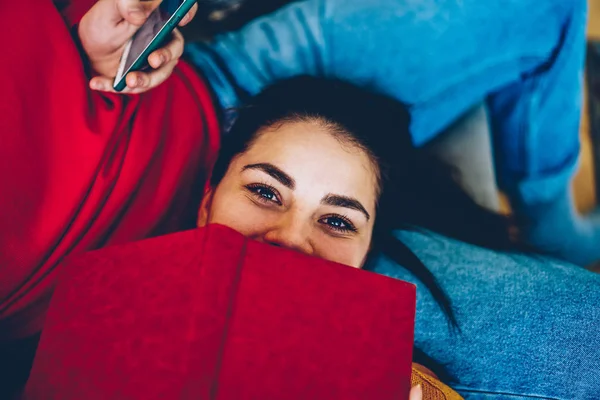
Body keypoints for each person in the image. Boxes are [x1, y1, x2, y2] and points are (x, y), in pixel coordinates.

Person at [1, 0, 599, 398]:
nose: (289, 242)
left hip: (186, 87)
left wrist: (91, 19)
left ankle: (552, 224)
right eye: (265, 194)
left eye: (339, 220)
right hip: (170, 283)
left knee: (543, 7)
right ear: (209, 198)